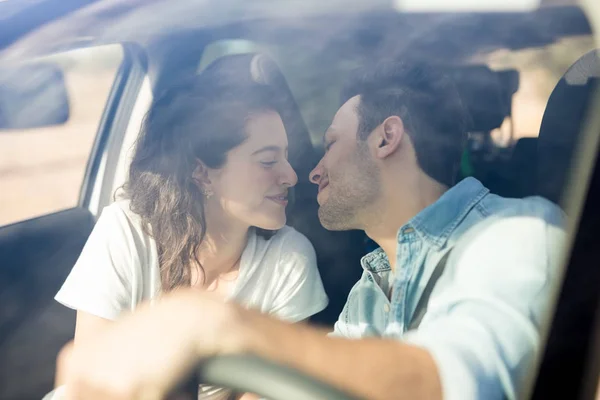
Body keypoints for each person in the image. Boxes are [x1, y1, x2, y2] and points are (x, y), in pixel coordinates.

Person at [54, 61, 566, 400]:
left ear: (386, 138)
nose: (311, 171)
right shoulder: (370, 293)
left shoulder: (515, 233)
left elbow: (464, 382)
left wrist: (219, 326)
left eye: (331, 143)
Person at [50, 56, 329, 400]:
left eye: (285, 157)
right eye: (268, 161)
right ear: (201, 173)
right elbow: (92, 384)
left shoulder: (289, 259)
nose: (290, 176)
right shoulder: (124, 231)